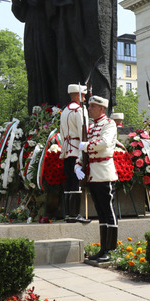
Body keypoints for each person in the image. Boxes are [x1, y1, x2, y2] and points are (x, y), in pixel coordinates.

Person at [78, 95, 119, 262]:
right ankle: (103, 249)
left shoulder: (109, 124)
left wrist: (86, 145)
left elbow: (104, 143)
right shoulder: (92, 126)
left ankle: (111, 249)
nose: (89, 109)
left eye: (92, 106)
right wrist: (78, 164)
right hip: (93, 173)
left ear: (102, 108)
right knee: (101, 213)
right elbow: (85, 152)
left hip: (104, 172)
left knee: (109, 212)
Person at [60, 84, 90, 223]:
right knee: (76, 182)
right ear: (78, 96)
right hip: (76, 150)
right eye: (83, 96)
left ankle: (69, 215)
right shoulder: (79, 110)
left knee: (69, 182)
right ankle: (75, 214)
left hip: (66, 150)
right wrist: (84, 152)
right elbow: (83, 133)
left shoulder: (65, 110)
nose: (84, 98)